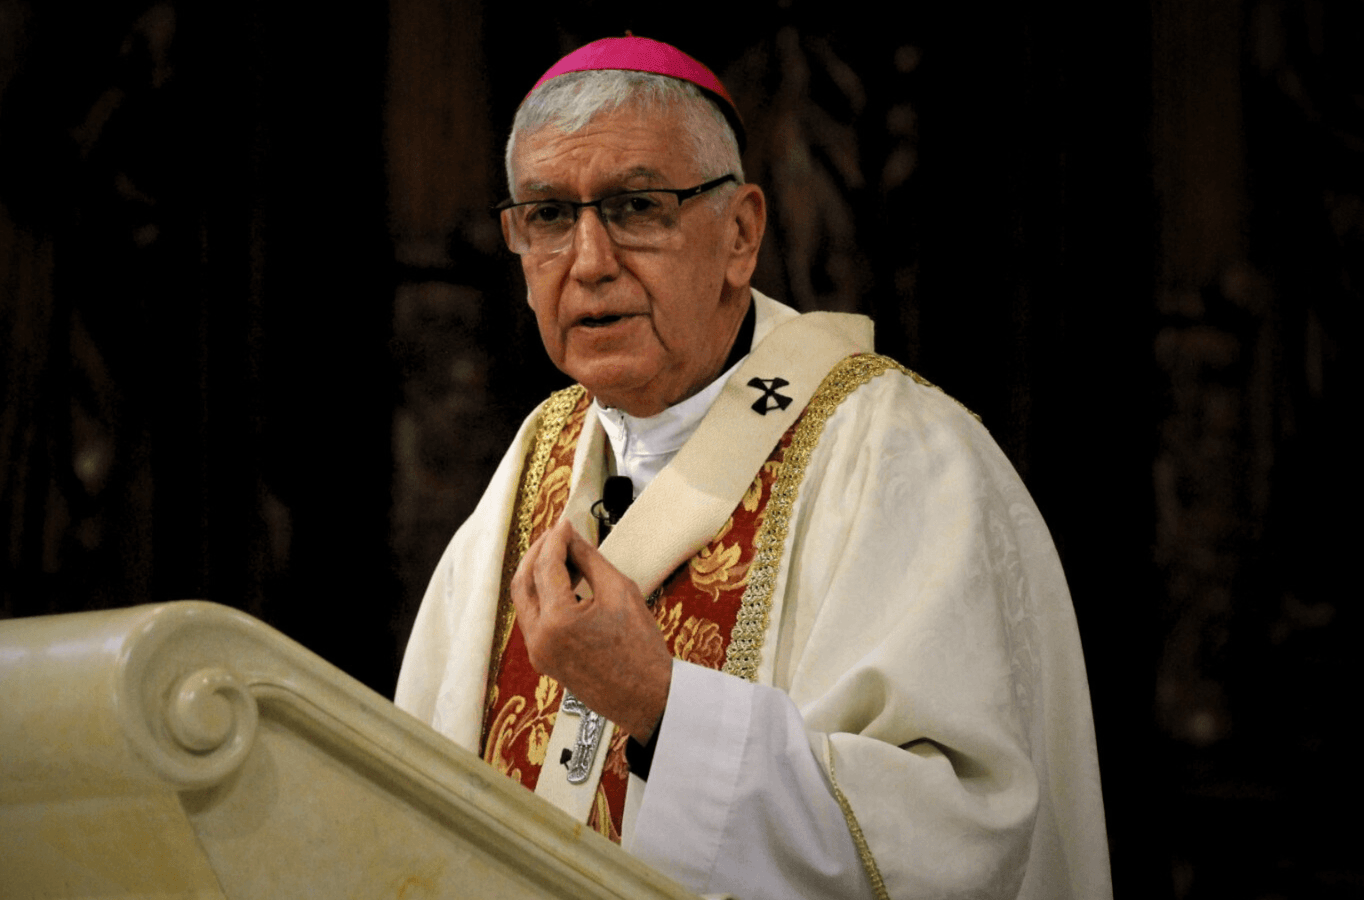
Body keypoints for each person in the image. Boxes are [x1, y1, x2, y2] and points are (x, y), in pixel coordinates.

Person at [396, 35, 1111, 900]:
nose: (588, 262)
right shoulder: (535, 460)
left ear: (740, 234)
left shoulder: (900, 455)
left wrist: (663, 706)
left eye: (636, 207)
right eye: (547, 216)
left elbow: (959, 834)